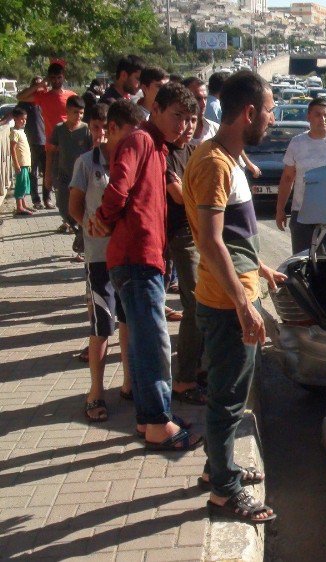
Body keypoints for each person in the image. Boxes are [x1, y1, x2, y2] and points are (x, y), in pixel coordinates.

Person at [183, 70, 283, 523]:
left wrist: (258, 268)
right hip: (227, 305)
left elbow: (235, 237)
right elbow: (209, 241)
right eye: (268, 109)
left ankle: (216, 468)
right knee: (226, 399)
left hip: (238, 291)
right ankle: (224, 494)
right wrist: (245, 307)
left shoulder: (230, 158)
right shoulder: (214, 164)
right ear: (248, 113)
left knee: (231, 395)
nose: (272, 117)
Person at [88, 82, 203, 451]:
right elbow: (118, 188)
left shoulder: (159, 148)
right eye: (177, 117)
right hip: (135, 259)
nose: (184, 126)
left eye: (190, 120)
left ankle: (149, 417)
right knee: (154, 342)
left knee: (141, 343)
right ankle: (156, 422)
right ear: (156, 110)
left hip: (144, 258)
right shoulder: (140, 141)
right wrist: (104, 218)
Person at [69, 101, 138, 421]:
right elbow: (75, 206)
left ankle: (128, 382)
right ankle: (95, 392)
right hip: (99, 256)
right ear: (111, 129)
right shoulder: (86, 163)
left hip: (129, 254)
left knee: (127, 321)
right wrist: (91, 225)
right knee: (101, 325)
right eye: (128, 133)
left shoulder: (134, 159)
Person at [276, 97, 326, 254]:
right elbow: (288, 178)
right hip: (302, 214)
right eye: (318, 115)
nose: (323, 119)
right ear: (309, 117)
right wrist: (280, 209)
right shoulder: (297, 143)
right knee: (302, 261)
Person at [165, 107, 207, 405]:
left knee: (206, 301)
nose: (188, 126)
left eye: (193, 121)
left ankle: (200, 368)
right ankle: (183, 379)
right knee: (194, 304)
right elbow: (179, 195)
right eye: (183, 120)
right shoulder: (164, 153)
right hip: (182, 235)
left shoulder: (196, 150)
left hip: (202, 232)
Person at [16, 61, 77, 211]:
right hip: (52, 147)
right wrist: (40, 84)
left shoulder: (71, 96)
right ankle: (65, 216)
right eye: (53, 78)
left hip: (71, 145)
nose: (56, 80)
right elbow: (21, 96)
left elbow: (80, 118)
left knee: (73, 183)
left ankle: (68, 220)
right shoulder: (43, 96)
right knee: (57, 184)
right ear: (49, 78)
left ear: (64, 77)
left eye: (59, 77)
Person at [50, 95, 92, 250]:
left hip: (81, 179)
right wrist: (48, 175)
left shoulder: (86, 129)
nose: (78, 116)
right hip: (63, 176)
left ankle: (82, 237)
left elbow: (91, 151)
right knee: (62, 206)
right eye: (75, 112)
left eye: (81, 113)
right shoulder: (59, 129)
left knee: (80, 208)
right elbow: (51, 152)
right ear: (67, 111)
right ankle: (76, 230)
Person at [14, 78, 48, 209]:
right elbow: (16, 108)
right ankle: (36, 200)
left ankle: (47, 199)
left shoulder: (45, 100)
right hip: (31, 142)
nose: (40, 87)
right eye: (37, 84)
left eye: (42, 84)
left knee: (47, 172)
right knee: (32, 173)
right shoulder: (25, 103)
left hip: (47, 141)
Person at [9, 107, 34, 216]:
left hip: (26, 163)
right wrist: (16, 164)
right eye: (21, 119)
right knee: (21, 186)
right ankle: (19, 207)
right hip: (21, 164)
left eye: (25, 119)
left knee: (25, 185)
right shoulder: (14, 132)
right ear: (15, 119)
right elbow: (12, 148)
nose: (24, 121)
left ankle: (23, 204)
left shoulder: (21, 131)